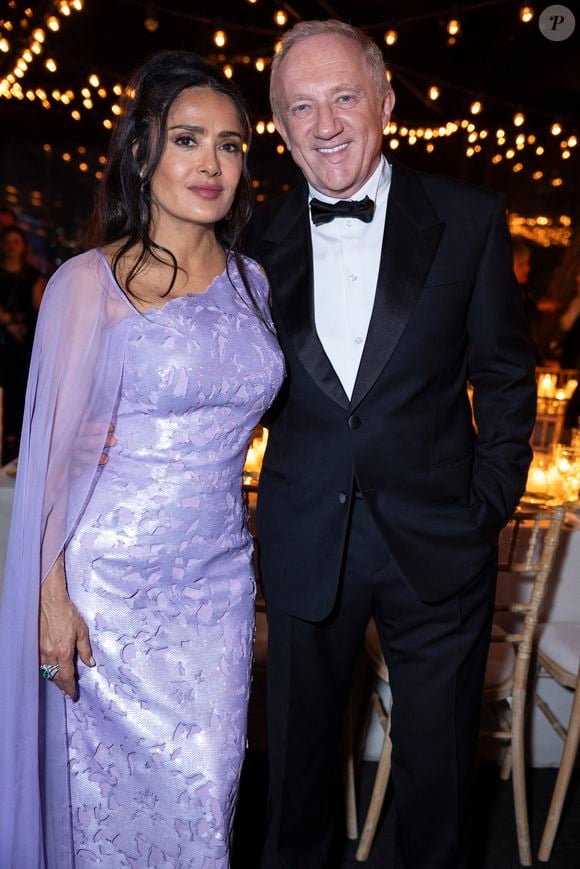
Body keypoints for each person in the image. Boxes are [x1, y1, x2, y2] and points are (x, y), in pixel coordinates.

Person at [247, 20, 536, 869]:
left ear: (385, 102)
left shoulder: (469, 218)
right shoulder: (248, 241)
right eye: (303, 106)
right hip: (305, 539)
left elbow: (507, 378)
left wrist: (483, 508)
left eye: (344, 98)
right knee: (293, 782)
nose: (326, 123)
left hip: (438, 540)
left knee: (438, 781)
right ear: (280, 123)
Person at [0, 50, 284, 868]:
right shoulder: (89, 282)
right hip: (109, 593)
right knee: (104, 810)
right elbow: (49, 458)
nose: (211, 163)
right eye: (188, 139)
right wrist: (49, 597)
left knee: (206, 799)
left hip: (218, 589)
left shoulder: (254, 283)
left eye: (230, 145)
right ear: (141, 152)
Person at [0, 225, 46, 456]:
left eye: (16, 241)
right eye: (7, 241)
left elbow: (40, 311)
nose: (11, 246)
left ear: (23, 246)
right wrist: (7, 323)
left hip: (24, 343)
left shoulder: (33, 276)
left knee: (19, 392)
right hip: (2, 341)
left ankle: (16, 446)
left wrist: (16, 322)